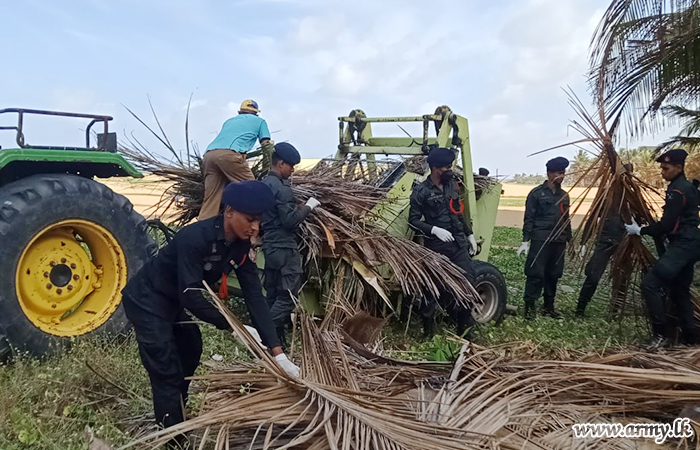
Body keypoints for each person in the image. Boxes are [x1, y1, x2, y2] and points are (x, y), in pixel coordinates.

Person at [121, 180, 300, 442]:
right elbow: (191, 295)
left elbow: (255, 296)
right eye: (250, 219)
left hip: (171, 302)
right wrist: (232, 327)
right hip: (147, 300)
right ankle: (173, 439)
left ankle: (176, 411)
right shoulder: (194, 238)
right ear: (229, 212)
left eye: (259, 221)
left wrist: (278, 353)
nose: (255, 228)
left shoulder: (240, 246)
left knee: (191, 347)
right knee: (165, 366)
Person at [625, 149, 700, 349]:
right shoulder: (686, 186)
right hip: (692, 244)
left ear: (679, 167)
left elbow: (666, 225)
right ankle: (690, 340)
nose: (662, 172)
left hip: (683, 245)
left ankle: (660, 335)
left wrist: (640, 230)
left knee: (650, 284)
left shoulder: (678, 191)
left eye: (666, 168)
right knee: (680, 291)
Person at [408, 147, 479, 338]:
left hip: (458, 245)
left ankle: (464, 330)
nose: (450, 170)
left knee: (468, 283)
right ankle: (428, 333)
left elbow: (458, 212)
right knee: (431, 288)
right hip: (436, 247)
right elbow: (413, 221)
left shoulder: (452, 185)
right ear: (435, 168)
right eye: (446, 167)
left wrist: (469, 235)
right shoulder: (421, 191)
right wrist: (434, 230)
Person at [261, 142, 320, 345]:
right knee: (288, 297)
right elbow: (289, 221)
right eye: (291, 166)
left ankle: (275, 342)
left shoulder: (264, 184)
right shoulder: (282, 189)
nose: (292, 170)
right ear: (281, 164)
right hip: (285, 248)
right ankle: (263, 332)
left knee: (272, 294)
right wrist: (308, 207)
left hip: (269, 247)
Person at [199, 99, 274, 220]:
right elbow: (266, 144)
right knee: (253, 190)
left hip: (209, 155)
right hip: (229, 155)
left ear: (240, 111)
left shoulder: (229, 121)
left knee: (211, 199)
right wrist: (269, 167)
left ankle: (202, 226)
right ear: (256, 112)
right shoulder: (260, 121)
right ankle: (255, 222)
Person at [575, 163, 633, 318]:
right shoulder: (607, 195)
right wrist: (583, 242)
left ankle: (614, 311)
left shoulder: (634, 197)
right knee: (593, 276)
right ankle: (580, 309)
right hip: (605, 241)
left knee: (622, 278)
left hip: (624, 242)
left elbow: (641, 218)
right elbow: (592, 219)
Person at [517, 156, 571, 320]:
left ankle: (549, 307)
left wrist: (570, 240)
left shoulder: (564, 196)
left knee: (554, 274)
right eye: (558, 173)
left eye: (563, 173)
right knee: (535, 273)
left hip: (559, 240)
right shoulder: (536, 194)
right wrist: (525, 240)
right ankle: (530, 308)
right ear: (549, 173)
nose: (561, 176)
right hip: (541, 239)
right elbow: (529, 218)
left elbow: (566, 220)